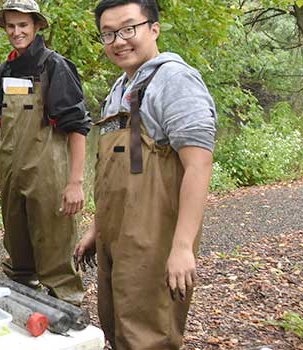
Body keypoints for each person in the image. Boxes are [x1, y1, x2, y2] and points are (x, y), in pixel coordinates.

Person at [74, 1, 216, 348]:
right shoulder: (119, 89)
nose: (118, 41)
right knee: (118, 326)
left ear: (154, 28)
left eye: (128, 29)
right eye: (108, 34)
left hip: (155, 240)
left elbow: (199, 165)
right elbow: (114, 176)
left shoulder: (176, 81)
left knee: (149, 336)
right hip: (117, 237)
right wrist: (97, 228)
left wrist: (182, 247)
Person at [0, 0, 90, 305]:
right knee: (18, 254)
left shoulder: (54, 66)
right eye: (11, 26)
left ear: (37, 26)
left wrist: (75, 182)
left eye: (23, 25)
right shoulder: (6, 70)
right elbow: (4, 125)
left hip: (49, 173)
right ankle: (24, 311)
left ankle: (68, 313)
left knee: (55, 252)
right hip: (13, 173)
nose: (17, 32)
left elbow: (77, 127)